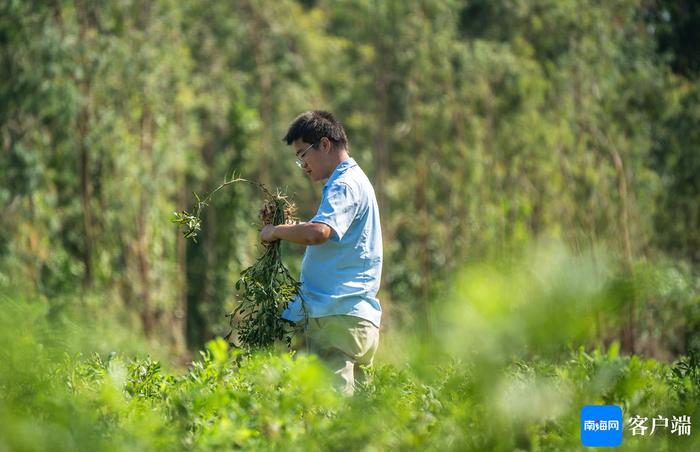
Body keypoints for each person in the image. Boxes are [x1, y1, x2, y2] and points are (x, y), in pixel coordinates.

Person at [260, 110, 382, 395]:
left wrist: (275, 232)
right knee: (362, 417)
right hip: (353, 317)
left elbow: (319, 233)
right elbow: (321, 229)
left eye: (303, 154)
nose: (302, 164)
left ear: (324, 145)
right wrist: (291, 226)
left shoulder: (344, 184)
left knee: (332, 414)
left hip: (337, 318)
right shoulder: (355, 181)